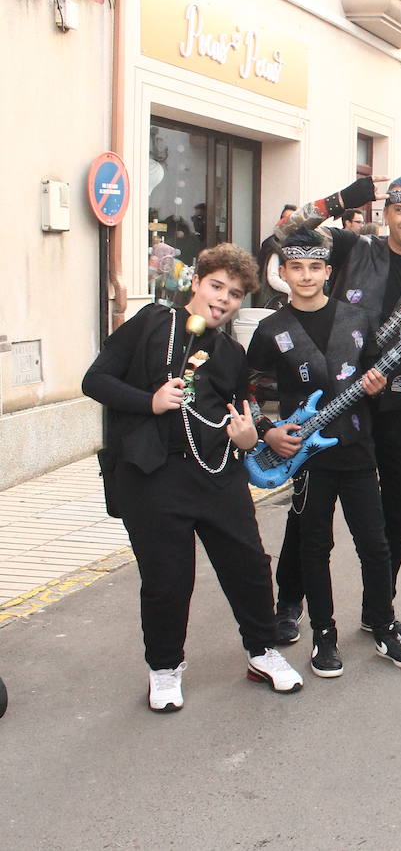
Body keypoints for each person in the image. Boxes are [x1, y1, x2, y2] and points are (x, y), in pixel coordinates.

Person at [82, 243, 303, 712]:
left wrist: (251, 435)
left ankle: (262, 651)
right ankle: (164, 668)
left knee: (249, 565)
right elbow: (95, 380)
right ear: (197, 283)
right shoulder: (152, 323)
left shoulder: (230, 352)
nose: (223, 299)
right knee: (167, 578)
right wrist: (150, 401)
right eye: (216, 286)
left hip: (217, 472)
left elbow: (239, 411)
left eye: (235, 294)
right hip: (153, 475)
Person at [270, 176, 401, 643]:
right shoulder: (353, 248)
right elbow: (287, 232)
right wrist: (342, 200)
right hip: (337, 402)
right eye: (400, 209)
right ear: (387, 212)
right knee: (310, 507)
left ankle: (379, 607)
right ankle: (289, 601)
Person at [245, 232, 401, 676]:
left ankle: (383, 625)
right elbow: (246, 391)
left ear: (328, 271)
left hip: (358, 450)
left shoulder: (358, 319)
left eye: (314, 268)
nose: (306, 276)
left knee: (375, 544)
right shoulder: (270, 330)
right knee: (314, 546)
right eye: (296, 268)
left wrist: (378, 388)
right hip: (307, 460)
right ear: (283, 274)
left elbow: (376, 375)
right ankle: (323, 635)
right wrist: (267, 431)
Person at [257, 204, 297, 308]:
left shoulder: (298, 244)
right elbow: (272, 277)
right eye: (286, 218)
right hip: (277, 301)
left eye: (293, 218)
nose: (289, 222)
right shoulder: (274, 244)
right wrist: (292, 290)